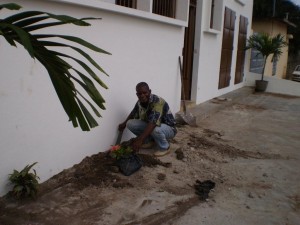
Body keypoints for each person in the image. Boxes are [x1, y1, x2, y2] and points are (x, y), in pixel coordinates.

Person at [118, 82, 177, 157]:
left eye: (145, 92)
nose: (142, 95)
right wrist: (124, 124)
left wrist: (140, 139)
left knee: (155, 129)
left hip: (169, 129)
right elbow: (133, 113)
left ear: (150, 91)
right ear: (137, 94)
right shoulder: (140, 101)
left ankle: (165, 147)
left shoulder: (158, 101)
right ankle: (149, 141)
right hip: (154, 126)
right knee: (130, 123)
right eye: (139, 93)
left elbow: (153, 122)